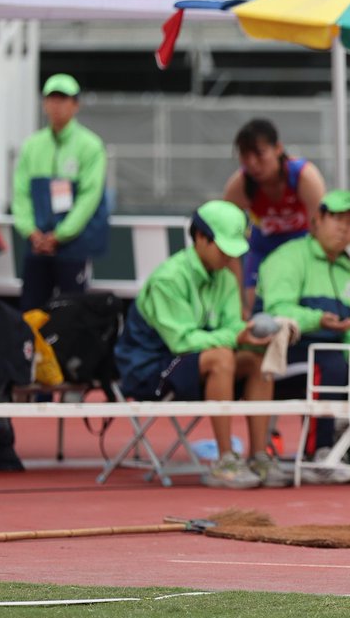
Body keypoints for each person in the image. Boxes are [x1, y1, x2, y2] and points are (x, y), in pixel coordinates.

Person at [113, 200, 285, 489]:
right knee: (221, 357)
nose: (230, 257)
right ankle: (225, 461)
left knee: (258, 359)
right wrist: (236, 336)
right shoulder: (168, 279)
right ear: (201, 238)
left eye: (234, 250)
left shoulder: (226, 279)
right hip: (148, 370)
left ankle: (258, 456)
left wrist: (250, 334)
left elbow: (231, 327)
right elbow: (182, 341)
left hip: (197, 362)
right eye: (224, 248)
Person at [257, 190, 350, 483]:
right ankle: (319, 453)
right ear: (317, 220)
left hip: (338, 352)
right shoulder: (287, 258)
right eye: (337, 219)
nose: (344, 229)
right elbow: (277, 311)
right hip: (290, 350)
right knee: (330, 364)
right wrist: (316, 319)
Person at [11, 74, 109, 312]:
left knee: (73, 312)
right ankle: (32, 350)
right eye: (52, 98)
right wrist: (31, 232)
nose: (57, 105)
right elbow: (20, 193)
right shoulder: (32, 146)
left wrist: (61, 235)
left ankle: (70, 352)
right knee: (32, 312)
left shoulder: (90, 146)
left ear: (76, 104)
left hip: (74, 247)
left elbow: (89, 197)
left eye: (63, 98)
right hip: (37, 245)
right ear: (44, 103)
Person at [223, 119, 326, 316]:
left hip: (301, 243)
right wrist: (238, 299)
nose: (252, 164)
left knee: (299, 301)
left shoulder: (305, 177)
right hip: (263, 246)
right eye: (245, 156)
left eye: (259, 154)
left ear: (278, 148)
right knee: (248, 309)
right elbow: (226, 240)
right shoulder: (240, 185)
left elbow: (321, 231)